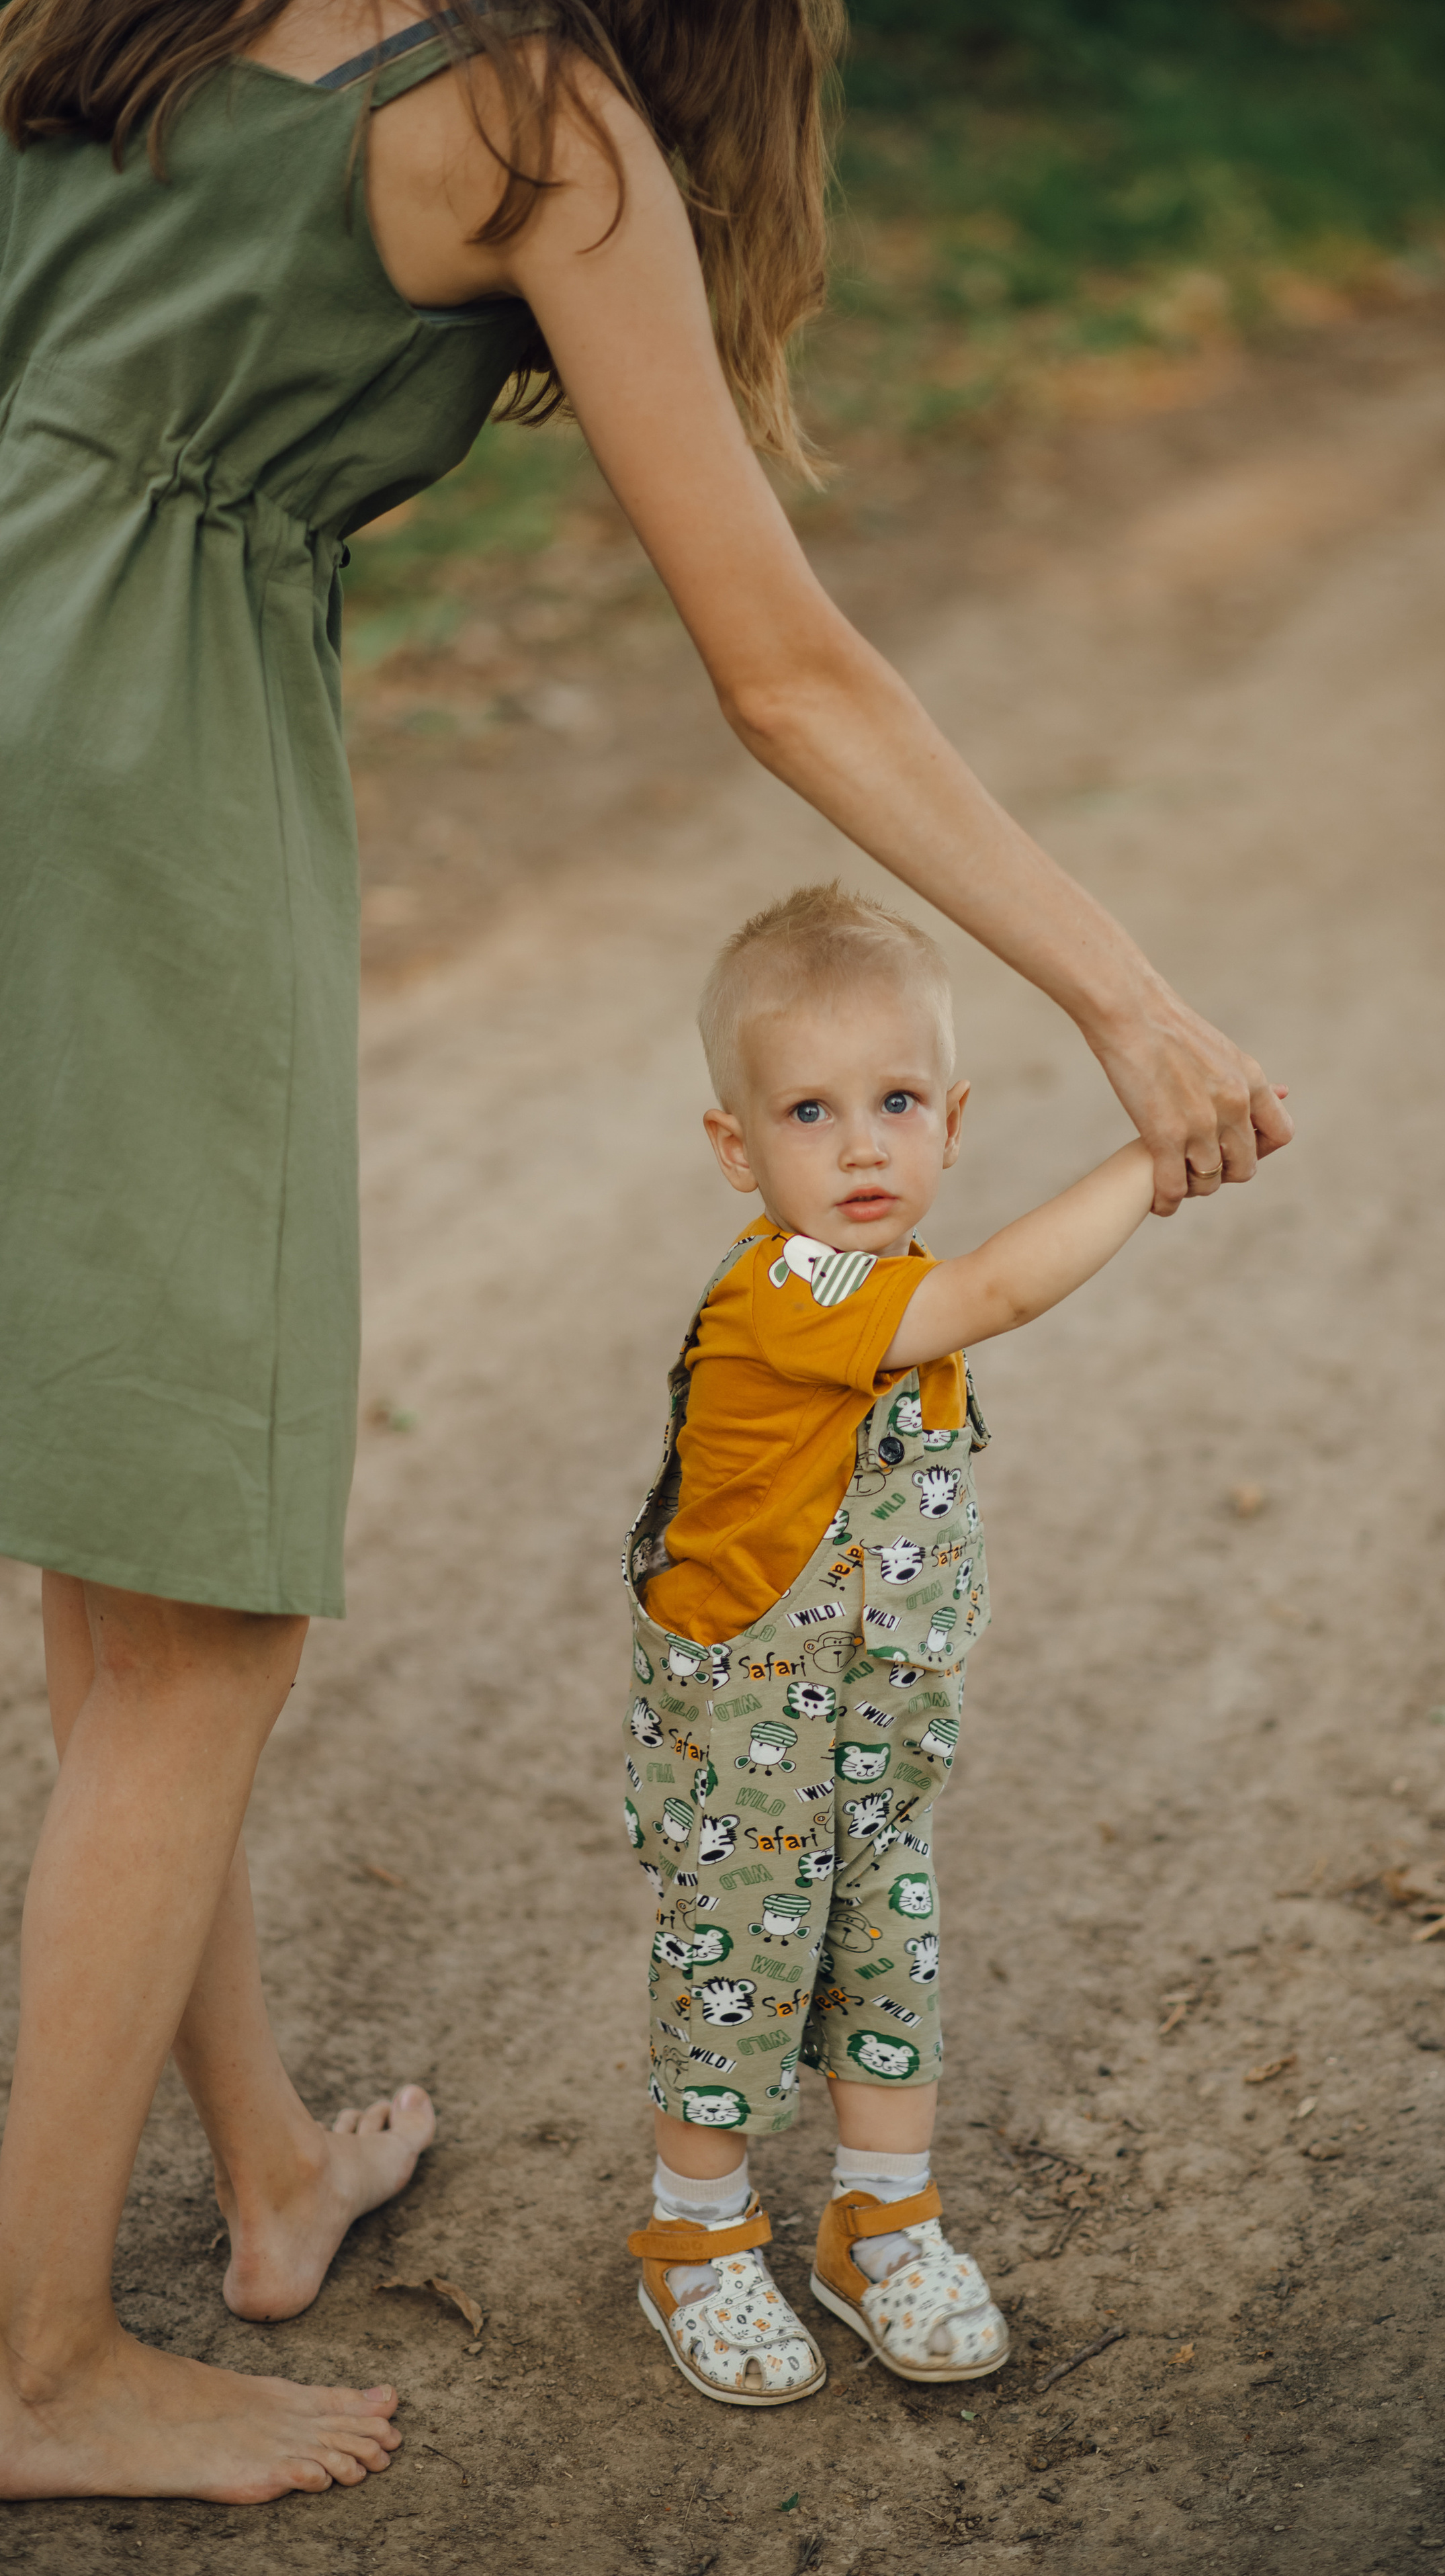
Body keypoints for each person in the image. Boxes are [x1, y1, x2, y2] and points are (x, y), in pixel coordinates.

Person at [0, 0, 1290, 2507]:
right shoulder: (526, 108)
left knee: (116, 1542)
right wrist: (1124, 994)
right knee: (200, 1605)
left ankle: (267, 2166)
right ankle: (32, 2365)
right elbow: (786, 663)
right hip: (127, 774)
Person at [622, 886, 1289, 2402]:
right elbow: (997, 1289)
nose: (861, 1146)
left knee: (885, 1963)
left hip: (871, 1730)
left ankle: (881, 2224)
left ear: (949, 1119)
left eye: (896, 1101)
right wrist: (1152, 1152)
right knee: (733, 1975)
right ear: (737, 1147)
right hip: (749, 1743)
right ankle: (697, 2238)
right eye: (809, 1110)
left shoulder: (883, 1294)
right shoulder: (795, 1294)